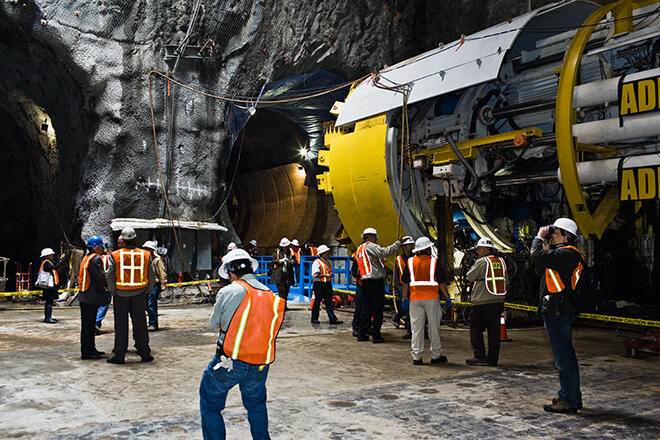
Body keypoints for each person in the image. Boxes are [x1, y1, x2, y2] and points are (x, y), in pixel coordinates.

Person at [199, 248, 285, 440]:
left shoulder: (230, 290)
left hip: (230, 360)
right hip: (260, 363)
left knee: (210, 401)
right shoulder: (271, 295)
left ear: (231, 271)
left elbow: (215, 323)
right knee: (256, 405)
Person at [532, 218, 584, 414]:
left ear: (566, 236)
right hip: (557, 310)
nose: (551, 234)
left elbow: (536, 257)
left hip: (559, 312)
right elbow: (540, 268)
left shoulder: (567, 254)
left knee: (563, 358)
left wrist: (538, 238)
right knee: (565, 356)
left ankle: (568, 399)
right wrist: (546, 248)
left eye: (555, 232)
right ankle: (572, 397)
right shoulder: (561, 255)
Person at [106, 227, 155, 364]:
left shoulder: (115, 255)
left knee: (120, 325)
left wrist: (112, 291)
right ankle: (144, 353)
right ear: (135, 239)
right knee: (140, 324)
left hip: (120, 295)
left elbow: (110, 275)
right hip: (139, 294)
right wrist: (148, 289)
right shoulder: (145, 254)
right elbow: (151, 274)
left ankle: (119, 354)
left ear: (123, 240)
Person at [402, 236, 452, 365]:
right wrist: (447, 297)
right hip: (431, 299)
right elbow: (441, 282)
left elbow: (405, 282)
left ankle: (417, 357)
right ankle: (436, 356)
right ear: (427, 249)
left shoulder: (410, 262)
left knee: (416, 329)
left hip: (415, 299)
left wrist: (404, 297)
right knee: (434, 328)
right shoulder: (434, 262)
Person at [464, 237, 507, 366]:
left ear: (484, 249)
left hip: (482, 302)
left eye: (478, 248)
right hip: (498, 301)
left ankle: (480, 356)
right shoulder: (500, 261)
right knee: (494, 332)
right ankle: (493, 359)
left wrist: (475, 263)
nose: (477, 251)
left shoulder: (482, 262)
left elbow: (469, 276)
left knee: (476, 328)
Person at [355, 227, 401, 343]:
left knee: (367, 309)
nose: (376, 239)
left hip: (365, 282)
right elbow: (384, 251)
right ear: (369, 236)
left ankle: (362, 333)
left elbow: (369, 262)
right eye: (375, 236)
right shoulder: (370, 246)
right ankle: (376, 335)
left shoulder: (360, 248)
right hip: (375, 283)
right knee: (377, 309)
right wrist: (398, 243)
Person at [78, 235, 110, 360]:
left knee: (87, 326)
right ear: (95, 247)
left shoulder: (87, 257)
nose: (103, 248)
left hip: (85, 296)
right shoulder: (96, 259)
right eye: (101, 245)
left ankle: (90, 349)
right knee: (89, 326)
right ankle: (88, 352)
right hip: (91, 297)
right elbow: (101, 277)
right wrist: (109, 285)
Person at [310, 245, 343, 325]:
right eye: (327, 252)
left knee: (329, 302)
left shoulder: (328, 262)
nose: (328, 253)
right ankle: (314, 318)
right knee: (317, 302)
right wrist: (325, 276)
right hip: (319, 285)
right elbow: (314, 275)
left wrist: (328, 275)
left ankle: (333, 319)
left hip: (327, 284)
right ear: (323, 253)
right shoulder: (317, 262)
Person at [96, 236, 123, 333]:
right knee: (104, 304)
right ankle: (96, 322)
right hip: (106, 284)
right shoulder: (110, 257)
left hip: (96, 285)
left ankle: (94, 323)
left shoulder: (94, 257)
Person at [392, 236, 415, 338]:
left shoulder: (415, 258)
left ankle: (397, 319)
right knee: (408, 310)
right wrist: (398, 288)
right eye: (409, 245)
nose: (411, 246)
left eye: (411, 244)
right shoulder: (398, 259)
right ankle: (410, 331)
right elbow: (396, 276)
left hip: (414, 287)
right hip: (403, 287)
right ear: (404, 247)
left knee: (412, 310)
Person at [143, 240, 167, 331]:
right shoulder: (144, 259)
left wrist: (163, 284)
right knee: (146, 304)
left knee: (151, 304)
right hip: (146, 284)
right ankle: (150, 322)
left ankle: (153, 323)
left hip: (154, 284)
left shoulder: (157, 260)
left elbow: (162, 272)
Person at [38, 248, 66, 324]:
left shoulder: (48, 262)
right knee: (49, 302)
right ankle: (48, 318)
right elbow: (54, 267)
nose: (52, 255)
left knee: (49, 302)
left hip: (49, 286)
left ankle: (48, 317)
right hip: (48, 286)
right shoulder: (46, 263)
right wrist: (60, 261)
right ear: (48, 255)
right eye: (51, 254)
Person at [271, 237, 295, 304]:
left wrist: (291, 261)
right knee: (282, 291)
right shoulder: (277, 252)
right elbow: (273, 261)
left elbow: (295, 260)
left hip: (288, 274)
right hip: (279, 275)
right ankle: (281, 306)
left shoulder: (290, 252)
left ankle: (284, 305)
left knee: (287, 290)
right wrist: (280, 261)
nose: (286, 247)